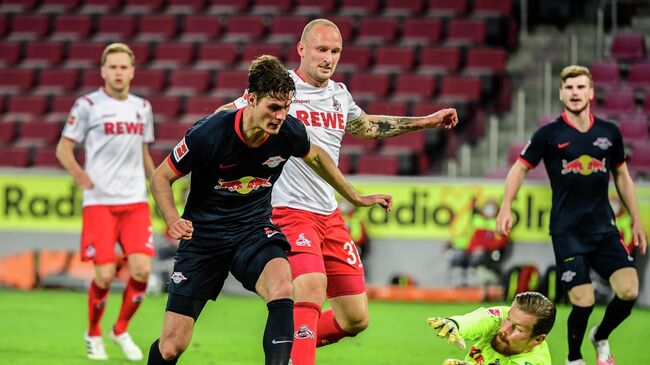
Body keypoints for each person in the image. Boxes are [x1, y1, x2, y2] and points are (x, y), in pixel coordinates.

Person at [215, 18, 459, 365]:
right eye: (321, 49)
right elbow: (232, 114)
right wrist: (208, 135)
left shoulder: (339, 95)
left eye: (335, 51)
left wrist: (427, 121)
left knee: (355, 318)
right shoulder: (282, 88)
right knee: (311, 286)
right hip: (287, 210)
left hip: (328, 215)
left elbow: (370, 126)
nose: (328, 58)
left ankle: (287, 341)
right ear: (301, 49)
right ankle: (295, 351)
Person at [146, 55, 392, 365]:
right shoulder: (210, 133)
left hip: (253, 232)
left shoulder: (288, 132)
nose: (279, 116)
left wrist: (355, 196)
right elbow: (161, 176)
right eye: (273, 108)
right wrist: (173, 219)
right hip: (204, 239)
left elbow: (317, 158)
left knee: (282, 286)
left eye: (286, 107)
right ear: (250, 99)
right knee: (172, 346)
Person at [495, 65, 647, 365]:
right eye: (569, 88)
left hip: (604, 229)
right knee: (583, 300)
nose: (575, 93)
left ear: (591, 92)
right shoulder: (549, 134)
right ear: (561, 93)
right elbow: (519, 168)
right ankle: (574, 358)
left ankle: (600, 336)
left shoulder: (609, 133)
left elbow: (623, 177)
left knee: (629, 290)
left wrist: (638, 220)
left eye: (581, 87)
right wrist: (505, 205)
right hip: (567, 233)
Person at [55, 43, 156, 361]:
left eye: (124, 67)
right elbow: (63, 148)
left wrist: (157, 184)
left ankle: (120, 329)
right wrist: (81, 177)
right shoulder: (87, 105)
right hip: (99, 203)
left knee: (141, 270)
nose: (118, 72)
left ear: (132, 71)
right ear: (102, 71)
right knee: (104, 275)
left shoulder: (142, 107)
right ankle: (94, 333)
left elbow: (144, 152)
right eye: (112, 67)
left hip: (134, 201)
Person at [427, 291, 557, 365]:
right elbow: (481, 319)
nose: (505, 329)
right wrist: (456, 323)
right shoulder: (506, 316)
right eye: (508, 319)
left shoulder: (534, 362)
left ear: (538, 339)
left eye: (518, 329)